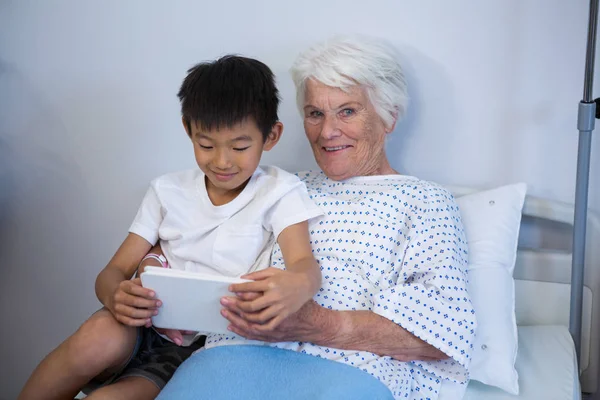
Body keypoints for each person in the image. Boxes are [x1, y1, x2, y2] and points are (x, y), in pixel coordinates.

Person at [157, 35, 477, 400]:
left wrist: (317, 324)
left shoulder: (425, 201)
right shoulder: (276, 187)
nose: (327, 131)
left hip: (352, 371)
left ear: (388, 117)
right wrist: (148, 270)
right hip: (229, 355)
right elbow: (190, 240)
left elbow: (444, 333)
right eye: (315, 114)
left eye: (347, 111)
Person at [18, 55, 323, 400]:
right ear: (187, 130)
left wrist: (298, 286)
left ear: (271, 136)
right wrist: (115, 296)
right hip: (140, 325)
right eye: (206, 145)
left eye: (240, 147)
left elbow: (304, 266)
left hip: (194, 350)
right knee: (95, 339)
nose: (222, 161)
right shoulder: (167, 191)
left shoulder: (279, 191)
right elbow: (113, 271)